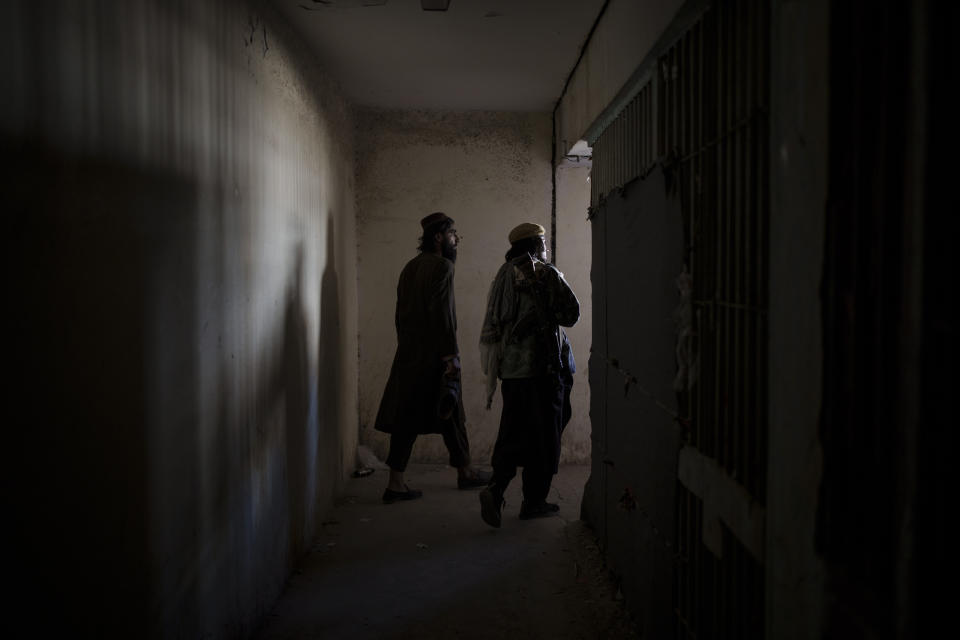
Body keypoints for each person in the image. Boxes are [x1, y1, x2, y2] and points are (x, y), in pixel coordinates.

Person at [374, 212, 491, 504]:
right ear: (438, 237)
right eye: (453, 234)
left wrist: (408, 347)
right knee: (449, 409)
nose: (456, 240)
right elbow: (444, 316)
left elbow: (399, 316)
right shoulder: (442, 267)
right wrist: (450, 355)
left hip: (409, 356)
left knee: (409, 419)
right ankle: (459, 473)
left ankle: (402, 481)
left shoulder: (409, 268)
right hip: (436, 356)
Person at [478, 223, 579, 527]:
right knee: (545, 437)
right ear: (536, 245)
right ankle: (534, 502)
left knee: (513, 432)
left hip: (511, 373)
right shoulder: (544, 273)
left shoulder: (502, 275)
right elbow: (571, 314)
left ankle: (495, 489)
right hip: (544, 371)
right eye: (543, 243)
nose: (545, 249)